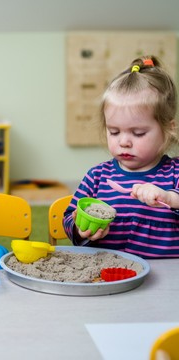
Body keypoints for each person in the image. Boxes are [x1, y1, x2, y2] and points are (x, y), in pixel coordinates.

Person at [63, 55, 179, 259]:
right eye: (114, 132)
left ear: (168, 129)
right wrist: (81, 230)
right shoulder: (97, 176)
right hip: (108, 278)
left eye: (138, 133)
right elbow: (69, 217)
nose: (124, 141)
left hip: (166, 282)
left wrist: (169, 197)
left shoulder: (174, 173)